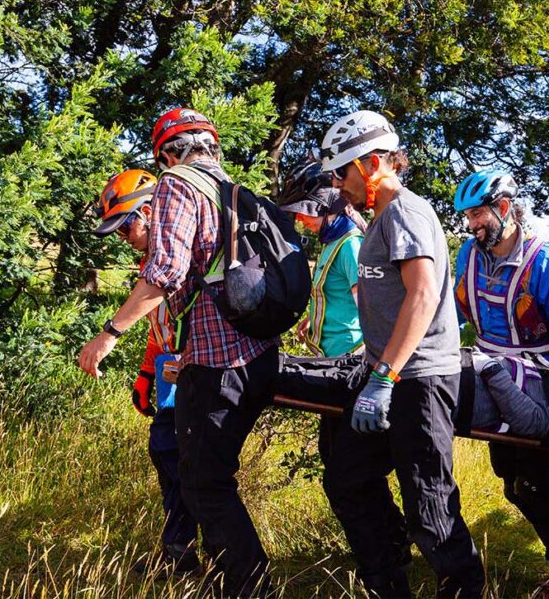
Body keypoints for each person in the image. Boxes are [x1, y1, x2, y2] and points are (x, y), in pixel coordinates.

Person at [78, 108, 280, 597]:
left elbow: (165, 273)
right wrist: (152, 372)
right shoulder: (231, 191)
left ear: (167, 153)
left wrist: (108, 333)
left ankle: (249, 586)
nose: (127, 242)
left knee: (203, 482)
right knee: (200, 475)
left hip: (216, 364)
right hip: (252, 357)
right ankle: (222, 573)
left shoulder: (177, 184)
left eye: (127, 228)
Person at [318, 109, 485, 598]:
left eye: (341, 172)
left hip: (418, 379)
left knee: (429, 504)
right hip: (383, 375)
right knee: (348, 478)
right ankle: (389, 577)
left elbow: (423, 295)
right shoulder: (377, 219)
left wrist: (385, 377)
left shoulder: (405, 212)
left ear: (371, 164)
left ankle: (463, 586)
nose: (337, 184)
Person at [452, 170, 549, 598]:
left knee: (530, 481)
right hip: (490, 382)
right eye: (466, 217)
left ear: (505, 208)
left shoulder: (547, 264)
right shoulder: (468, 256)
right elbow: (453, 312)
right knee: (509, 479)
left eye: (477, 214)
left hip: (538, 389)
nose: (471, 225)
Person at [91, 169, 203, 578]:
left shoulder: (185, 256)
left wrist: (190, 360)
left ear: (153, 210)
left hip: (199, 376)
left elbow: (208, 321)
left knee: (194, 469)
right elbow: (161, 329)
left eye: (126, 226)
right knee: (167, 456)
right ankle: (180, 554)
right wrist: (144, 374)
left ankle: (223, 562)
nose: (124, 237)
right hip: (171, 377)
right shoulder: (150, 263)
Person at [277, 349, 549, 446]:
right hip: (455, 367)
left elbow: (529, 421)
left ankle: (272, 375)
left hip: (457, 392)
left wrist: (490, 369)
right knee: (360, 366)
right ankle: (284, 363)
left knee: (352, 383)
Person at [276, 161, 367, 358]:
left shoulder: (350, 246)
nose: (300, 218)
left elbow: (369, 309)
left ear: (326, 208)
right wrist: (317, 317)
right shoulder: (331, 242)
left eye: (304, 211)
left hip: (348, 356)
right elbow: (339, 297)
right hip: (328, 356)